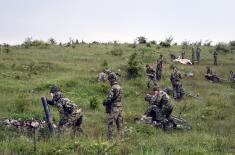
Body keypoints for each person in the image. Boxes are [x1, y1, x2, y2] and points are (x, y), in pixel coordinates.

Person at [103, 72, 124, 140]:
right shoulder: (120, 87)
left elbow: (109, 98)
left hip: (114, 107)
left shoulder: (113, 88)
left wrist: (104, 102)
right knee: (120, 124)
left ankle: (110, 139)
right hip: (120, 107)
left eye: (109, 80)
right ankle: (121, 138)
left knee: (111, 123)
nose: (109, 82)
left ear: (111, 79)